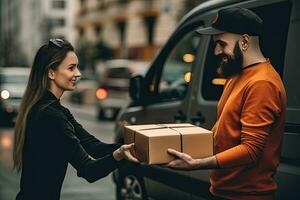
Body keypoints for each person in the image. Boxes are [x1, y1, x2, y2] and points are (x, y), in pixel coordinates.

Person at [166, 7, 287, 200]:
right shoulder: (236, 76)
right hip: (224, 191)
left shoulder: (262, 83)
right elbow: (224, 131)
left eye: (221, 43)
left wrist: (197, 164)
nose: (216, 51)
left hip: (247, 195)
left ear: (245, 41)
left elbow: (251, 150)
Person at [13, 39, 138, 200]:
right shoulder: (51, 116)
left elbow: (94, 147)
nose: (78, 74)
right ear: (51, 72)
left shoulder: (52, 110)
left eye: (77, 67)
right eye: (71, 68)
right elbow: (88, 170)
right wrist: (119, 155)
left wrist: (133, 148)